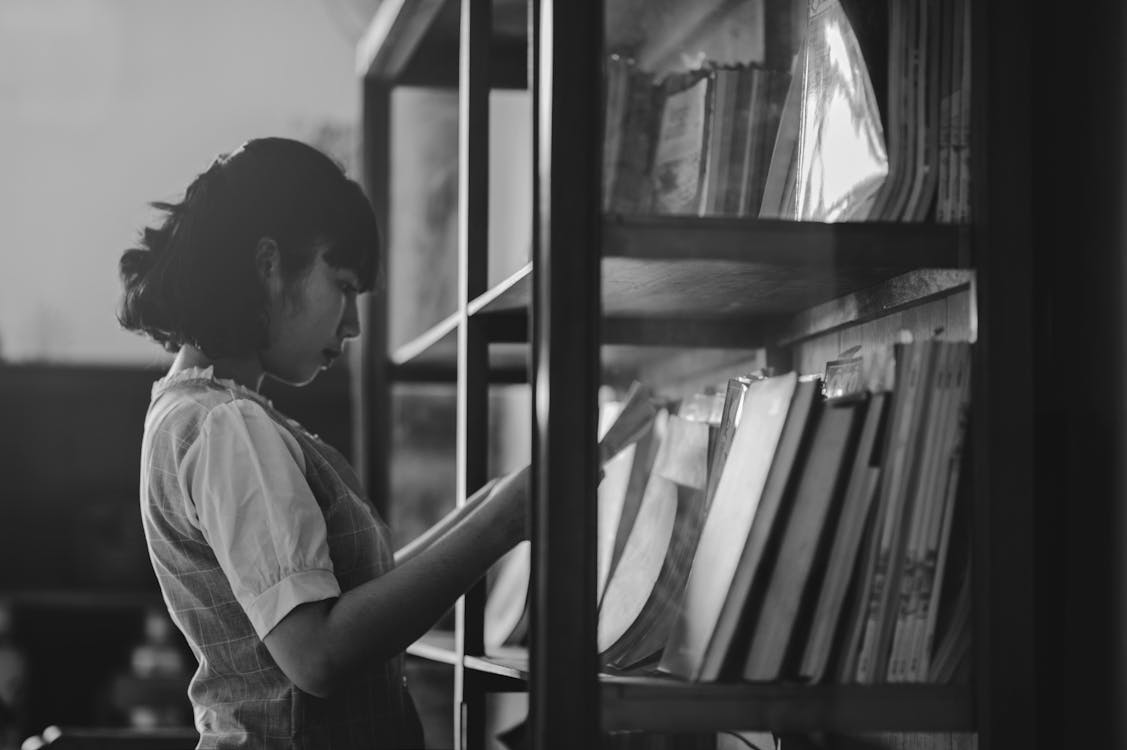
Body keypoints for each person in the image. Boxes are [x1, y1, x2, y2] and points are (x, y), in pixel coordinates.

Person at [117, 137, 529, 749]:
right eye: (342, 284)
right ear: (269, 265)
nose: (354, 323)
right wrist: (500, 525)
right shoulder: (230, 427)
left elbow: (348, 597)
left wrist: (494, 505)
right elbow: (318, 656)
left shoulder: (191, 412)